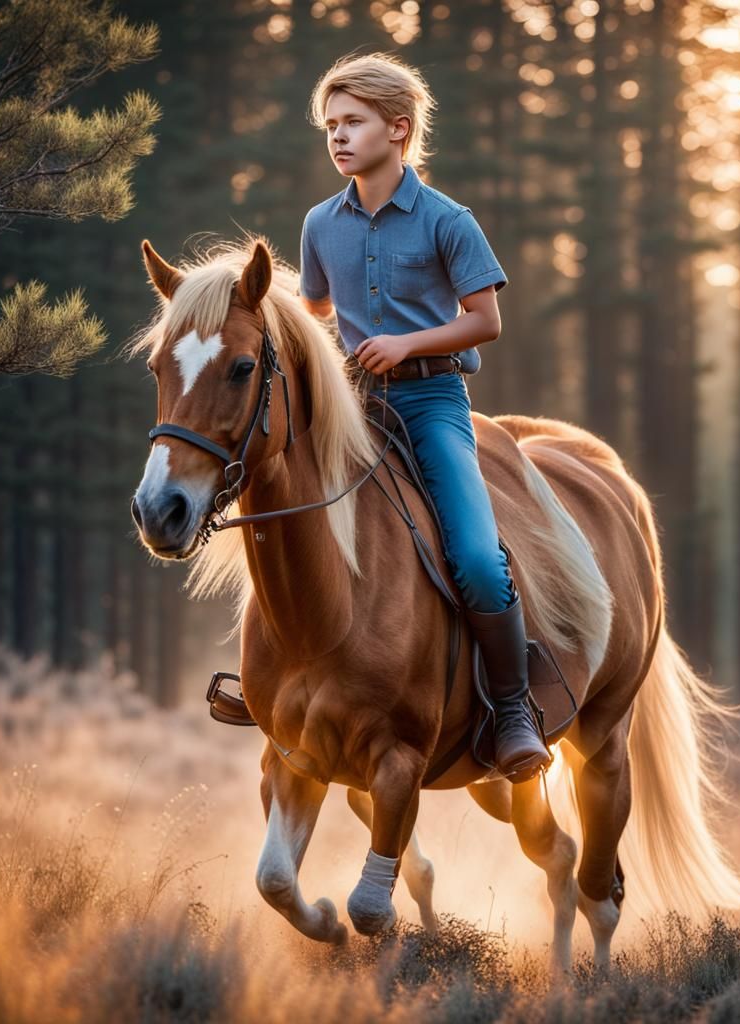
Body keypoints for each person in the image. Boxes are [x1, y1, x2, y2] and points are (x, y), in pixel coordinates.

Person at [297, 52, 549, 782]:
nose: (338, 138)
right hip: (351, 408)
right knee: (288, 518)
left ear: (398, 129)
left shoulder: (449, 221)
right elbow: (315, 315)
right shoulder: (319, 224)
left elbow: (486, 321)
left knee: (473, 555)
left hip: (431, 401)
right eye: (330, 126)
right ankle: (279, 684)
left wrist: (406, 342)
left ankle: (510, 712)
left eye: (353, 123)